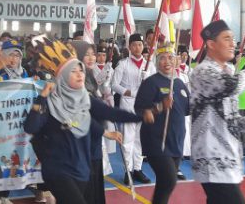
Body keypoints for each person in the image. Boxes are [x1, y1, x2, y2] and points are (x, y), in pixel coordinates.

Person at [23, 37, 148, 204]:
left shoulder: (83, 97)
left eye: (80, 70)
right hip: (58, 167)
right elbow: (30, 126)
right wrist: (41, 98)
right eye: (73, 71)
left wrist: (142, 116)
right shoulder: (52, 99)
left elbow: (109, 113)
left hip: (81, 164)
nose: (79, 74)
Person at [190, 20, 245, 204]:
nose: (233, 44)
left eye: (233, 39)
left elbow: (229, 118)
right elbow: (229, 86)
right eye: (227, 39)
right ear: (211, 44)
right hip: (212, 158)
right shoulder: (202, 72)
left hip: (229, 155)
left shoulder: (230, 71)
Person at [135, 43, 191, 204]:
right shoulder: (151, 83)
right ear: (157, 62)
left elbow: (187, 110)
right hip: (156, 141)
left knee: (164, 184)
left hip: (176, 140)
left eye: (170, 57)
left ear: (176, 60)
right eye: (162, 58)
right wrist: (159, 107)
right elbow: (140, 109)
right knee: (169, 180)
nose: (167, 61)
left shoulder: (180, 83)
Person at [112, 33, 155, 184]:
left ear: (143, 46)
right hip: (128, 104)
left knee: (140, 140)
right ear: (129, 47)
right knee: (128, 139)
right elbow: (114, 85)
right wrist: (129, 92)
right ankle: (128, 171)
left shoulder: (149, 65)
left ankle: (138, 169)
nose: (137, 47)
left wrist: (147, 77)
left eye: (140, 44)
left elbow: (154, 85)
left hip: (144, 106)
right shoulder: (123, 64)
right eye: (134, 45)